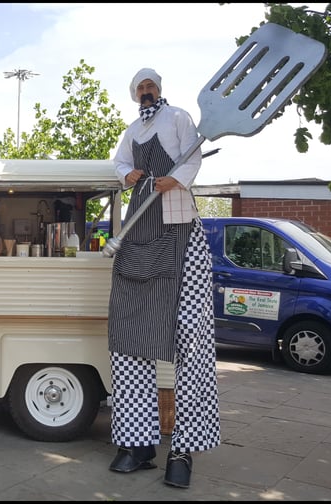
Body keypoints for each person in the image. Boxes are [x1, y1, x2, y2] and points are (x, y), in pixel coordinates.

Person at [106, 68, 220, 489]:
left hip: (178, 230)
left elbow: (193, 158)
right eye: (140, 86)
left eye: (150, 84)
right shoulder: (132, 129)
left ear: (160, 88)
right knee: (128, 339)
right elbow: (118, 161)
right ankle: (136, 445)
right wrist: (127, 175)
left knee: (190, 343)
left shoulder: (180, 119)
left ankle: (183, 449)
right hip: (138, 231)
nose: (146, 90)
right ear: (134, 94)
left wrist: (177, 179)